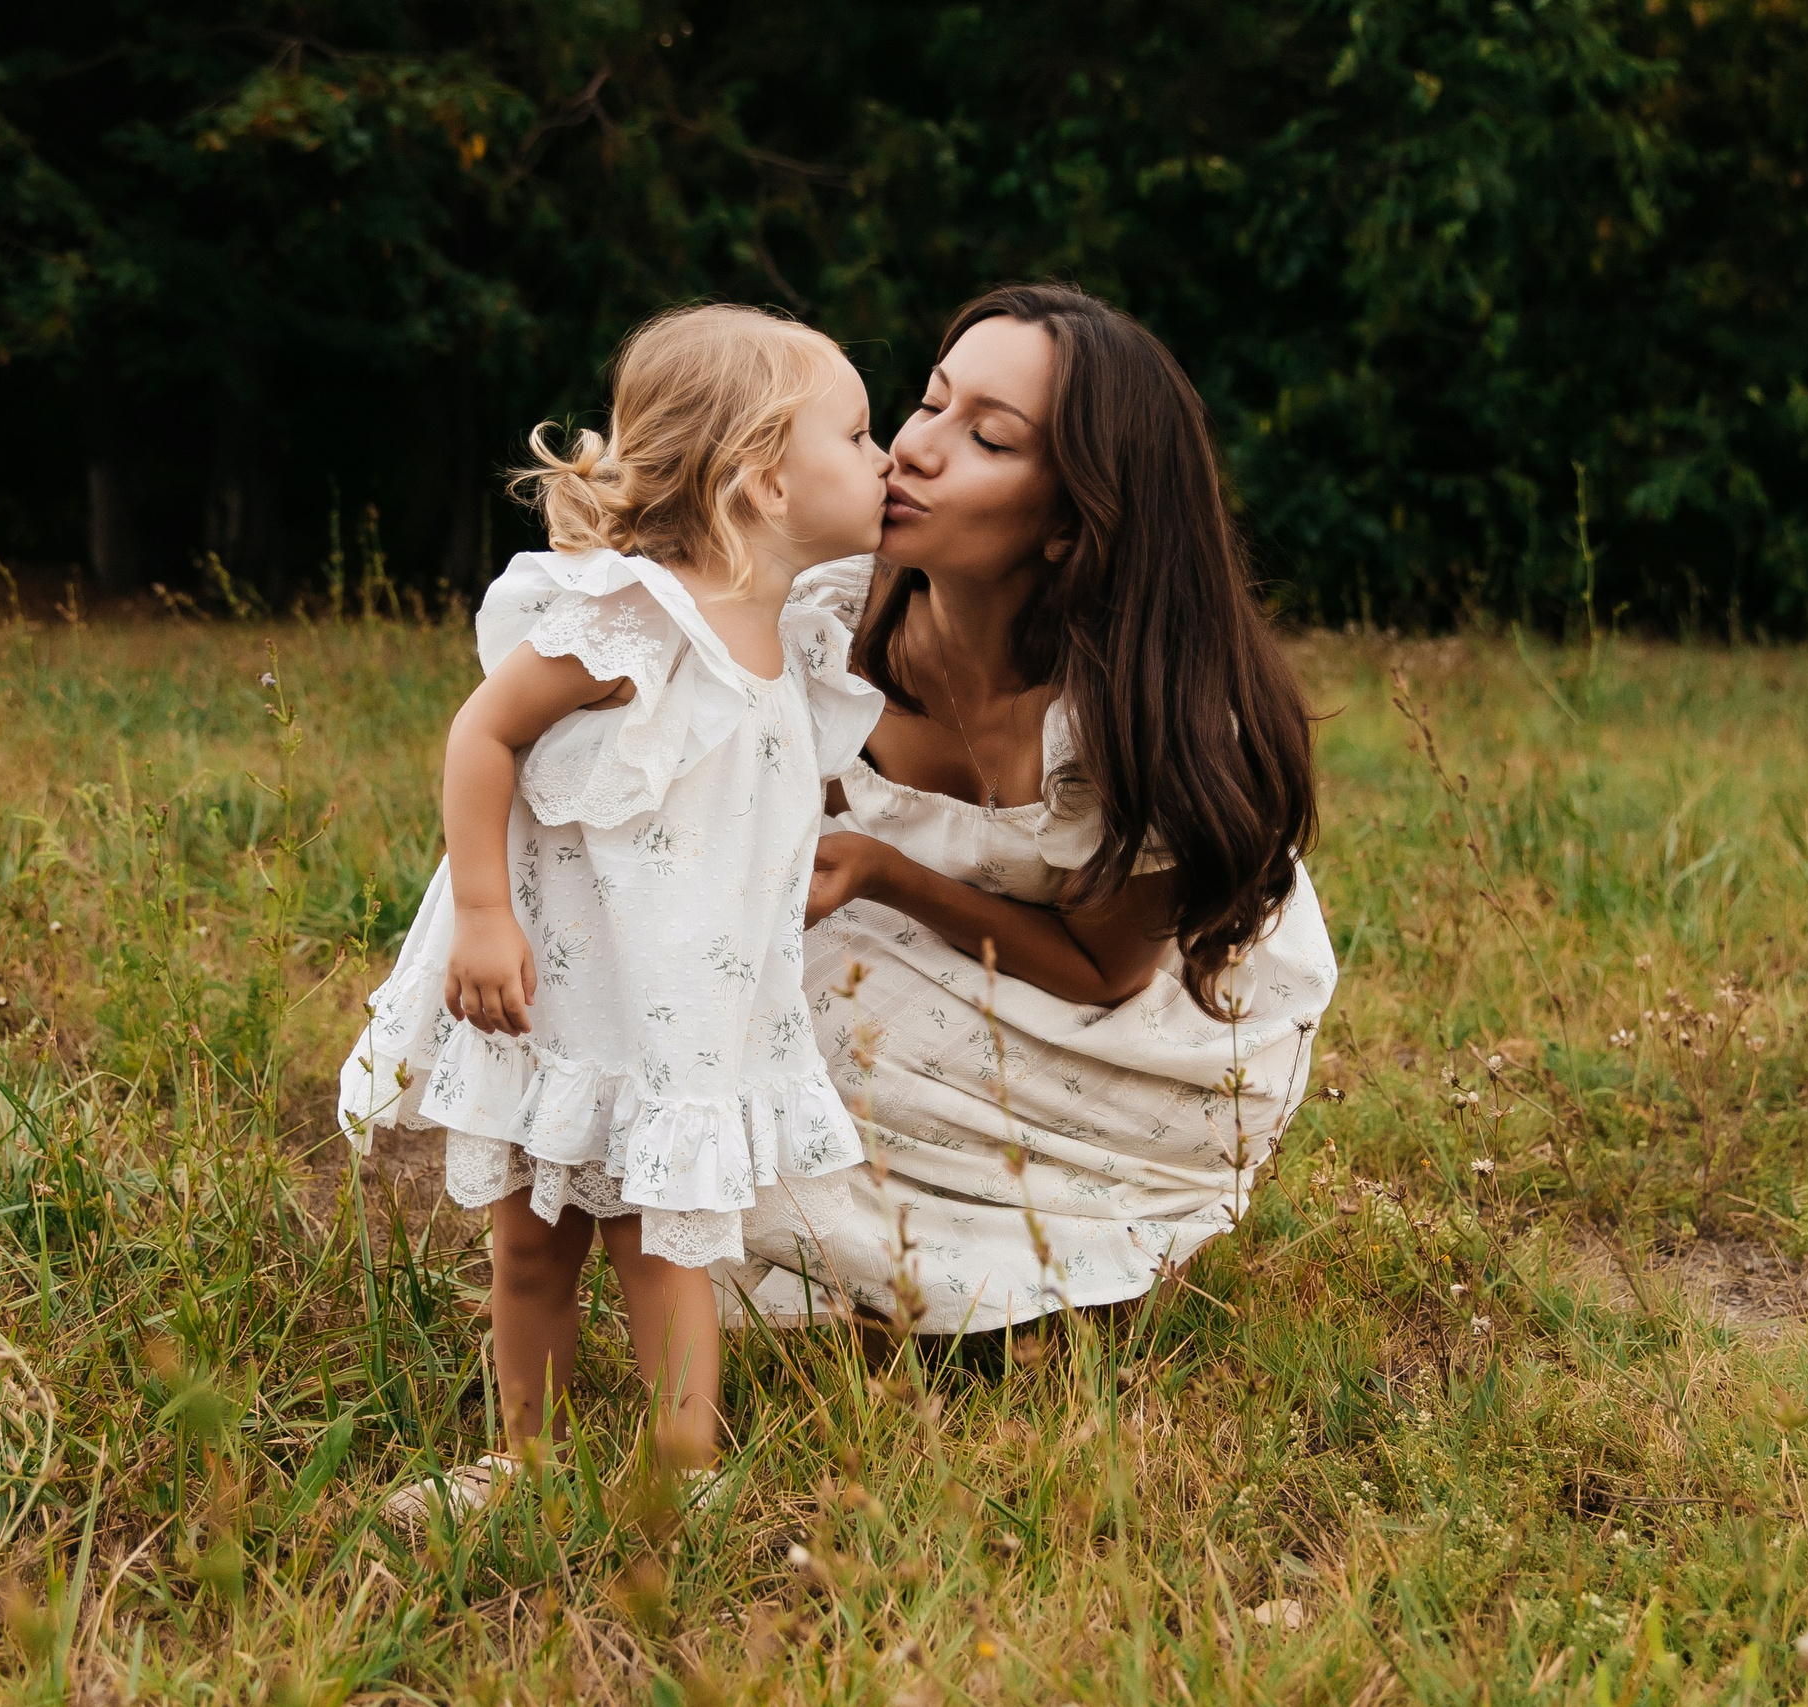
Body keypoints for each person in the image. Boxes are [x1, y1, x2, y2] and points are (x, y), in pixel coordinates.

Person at [338, 304, 892, 1518]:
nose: (888, 456)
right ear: (761, 482)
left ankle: (676, 1474)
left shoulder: (789, 618)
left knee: (664, 1238)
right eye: (858, 436)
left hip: (683, 1004)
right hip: (566, 984)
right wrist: (484, 911)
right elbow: (484, 731)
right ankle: (520, 1456)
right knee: (531, 1240)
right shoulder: (641, 618)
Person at [716, 283, 1339, 1337]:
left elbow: (1103, 970)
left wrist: (882, 870)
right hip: (920, 957)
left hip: (1137, 1041)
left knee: (812, 1024)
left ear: (1068, 519)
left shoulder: (1143, 721)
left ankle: (1041, 1258)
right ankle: (910, 1269)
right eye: (928, 402)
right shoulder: (825, 605)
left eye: (988, 438)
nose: (914, 449)